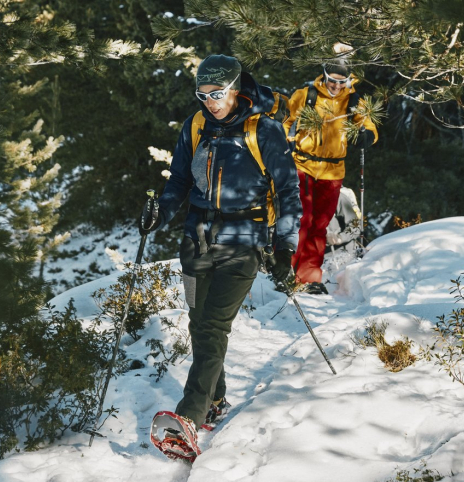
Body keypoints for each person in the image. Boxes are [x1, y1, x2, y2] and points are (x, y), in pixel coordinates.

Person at [141, 54, 301, 454]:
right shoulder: (195, 126)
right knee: (199, 323)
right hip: (196, 238)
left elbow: (288, 193)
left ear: (236, 89)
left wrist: (285, 246)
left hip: (243, 241)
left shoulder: (264, 131)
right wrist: (158, 214)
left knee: (213, 326)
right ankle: (214, 400)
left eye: (218, 93)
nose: (210, 101)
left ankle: (189, 418)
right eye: (203, 94)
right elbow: (178, 180)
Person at [283, 58, 378, 294]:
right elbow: (286, 122)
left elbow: (370, 126)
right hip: (302, 165)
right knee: (301, 221)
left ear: (348, 80)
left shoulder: (354, 101)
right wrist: (285, 140)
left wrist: (367, 135)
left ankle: (308, 278)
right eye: (332, 80)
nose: (336, 86)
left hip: (333, 170)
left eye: (341, 81)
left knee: (320, 225)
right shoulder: (306, 95)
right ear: (324, 76)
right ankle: (287, 274)